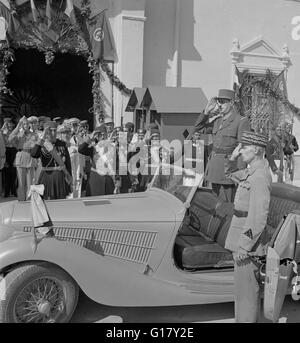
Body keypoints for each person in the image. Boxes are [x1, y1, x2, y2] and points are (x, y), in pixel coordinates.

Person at [224, 131, 271, 323]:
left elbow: (259, 215)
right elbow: (227, 175)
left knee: (247, 295)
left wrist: (244, 245)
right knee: (242, 292)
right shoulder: (252, 170)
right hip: (242, 237)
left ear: (257, 149)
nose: (241, 150)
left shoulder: (259, 176)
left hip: (249, 243)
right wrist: (232, 158)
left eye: (244, 147)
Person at [194, 89, 251, 202]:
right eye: (219, 101)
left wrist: (239, 175)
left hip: (228, 171)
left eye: (223, 101)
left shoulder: (241, 121)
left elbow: (244, 148)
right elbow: (198, 128)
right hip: (214, 168)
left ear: (232, 103)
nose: (220, 105)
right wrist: (206, 111)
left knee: (226, 205)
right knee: (214, 203)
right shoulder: (217, 121)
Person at [31, 121, 72, 200]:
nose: (53, 133)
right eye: (50, 131)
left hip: (60, 177)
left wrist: (69, 175)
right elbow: (34, 154)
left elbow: (67, 161)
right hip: (47, 177)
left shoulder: (62, 144)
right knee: (48, 201)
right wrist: (42, 137)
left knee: (61, 201)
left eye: (55, 130)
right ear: (46, 132)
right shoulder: (42, 144)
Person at [78, 124, 115, 196]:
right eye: (101, 135)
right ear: (97, 137)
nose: (103, 137)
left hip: (108, 179)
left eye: (105, 135)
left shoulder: (112, 148)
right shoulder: (94, 148)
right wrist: (90, 138)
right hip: (96, 179)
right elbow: (81, 149)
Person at [9, 116, 39, 201]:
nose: (25, 125)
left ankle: (30, 199)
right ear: (21, 125)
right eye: (23, 124)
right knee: (21, 183)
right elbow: (10, 139)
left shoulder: (34, 134)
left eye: (27, 123)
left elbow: (38, 146)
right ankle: (21, 200)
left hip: (31, 157)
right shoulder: (18, 134)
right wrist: (18, 127)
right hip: (21, 156)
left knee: (30, 182)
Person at [2, 118, 17, 197]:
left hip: (14, 151)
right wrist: (4, 126)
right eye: (8, 124)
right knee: (7, 173)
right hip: (6, 152)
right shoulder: (3, 133)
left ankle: (14, 191)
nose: (10, 125)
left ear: (14, 124)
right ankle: (7, 192)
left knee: (14, 173)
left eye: (11, 124)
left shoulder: (15, 132)